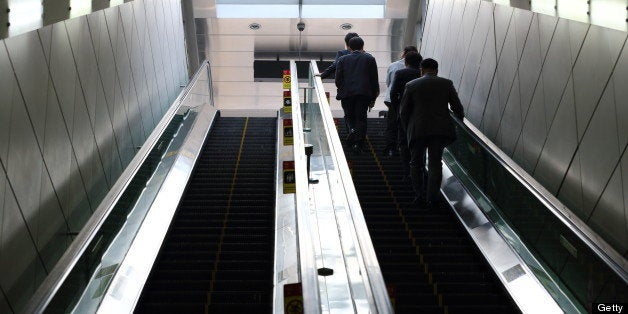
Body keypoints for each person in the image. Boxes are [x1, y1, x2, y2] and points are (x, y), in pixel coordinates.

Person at [399, 58, 464, 209]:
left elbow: (403, 112)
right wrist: (458, 123)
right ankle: (432, 198)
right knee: (435, 164)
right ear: (436, 70)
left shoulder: (411, 85)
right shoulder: (446, 84)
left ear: (421, 70)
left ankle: (419, 195)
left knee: (415, 163)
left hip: (417, 130)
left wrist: (407, 128)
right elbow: (457, 107)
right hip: (440, 131)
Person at [335, 36, 380, 154]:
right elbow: (373, 79)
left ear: (349, 47)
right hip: (363, 94)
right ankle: (359, 144)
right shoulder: (369, 59)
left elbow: (338, 79)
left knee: (349, 116)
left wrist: (342, 88)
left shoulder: (342, 59)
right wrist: (374, 96)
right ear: (362, 46)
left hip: (347, 94)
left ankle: (352, 129)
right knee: (361, 118)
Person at [389, 51, 422, 180]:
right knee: (419, 143)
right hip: (420, 114)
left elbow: (393, 93)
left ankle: (407, 172)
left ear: (406, 62)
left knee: (403, 142)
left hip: (405, 113)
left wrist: (398, 108)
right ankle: (418, 170)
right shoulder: (422, 74)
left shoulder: (401, 73)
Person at [383, 46, 419, 156]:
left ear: (404, 53)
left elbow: (388, 83)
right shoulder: (420, 70)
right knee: (406, 124)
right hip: (412, 102)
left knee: (393, 123)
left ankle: (391, 148)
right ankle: (404, 148)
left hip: (393, 99)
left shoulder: (393, 65)